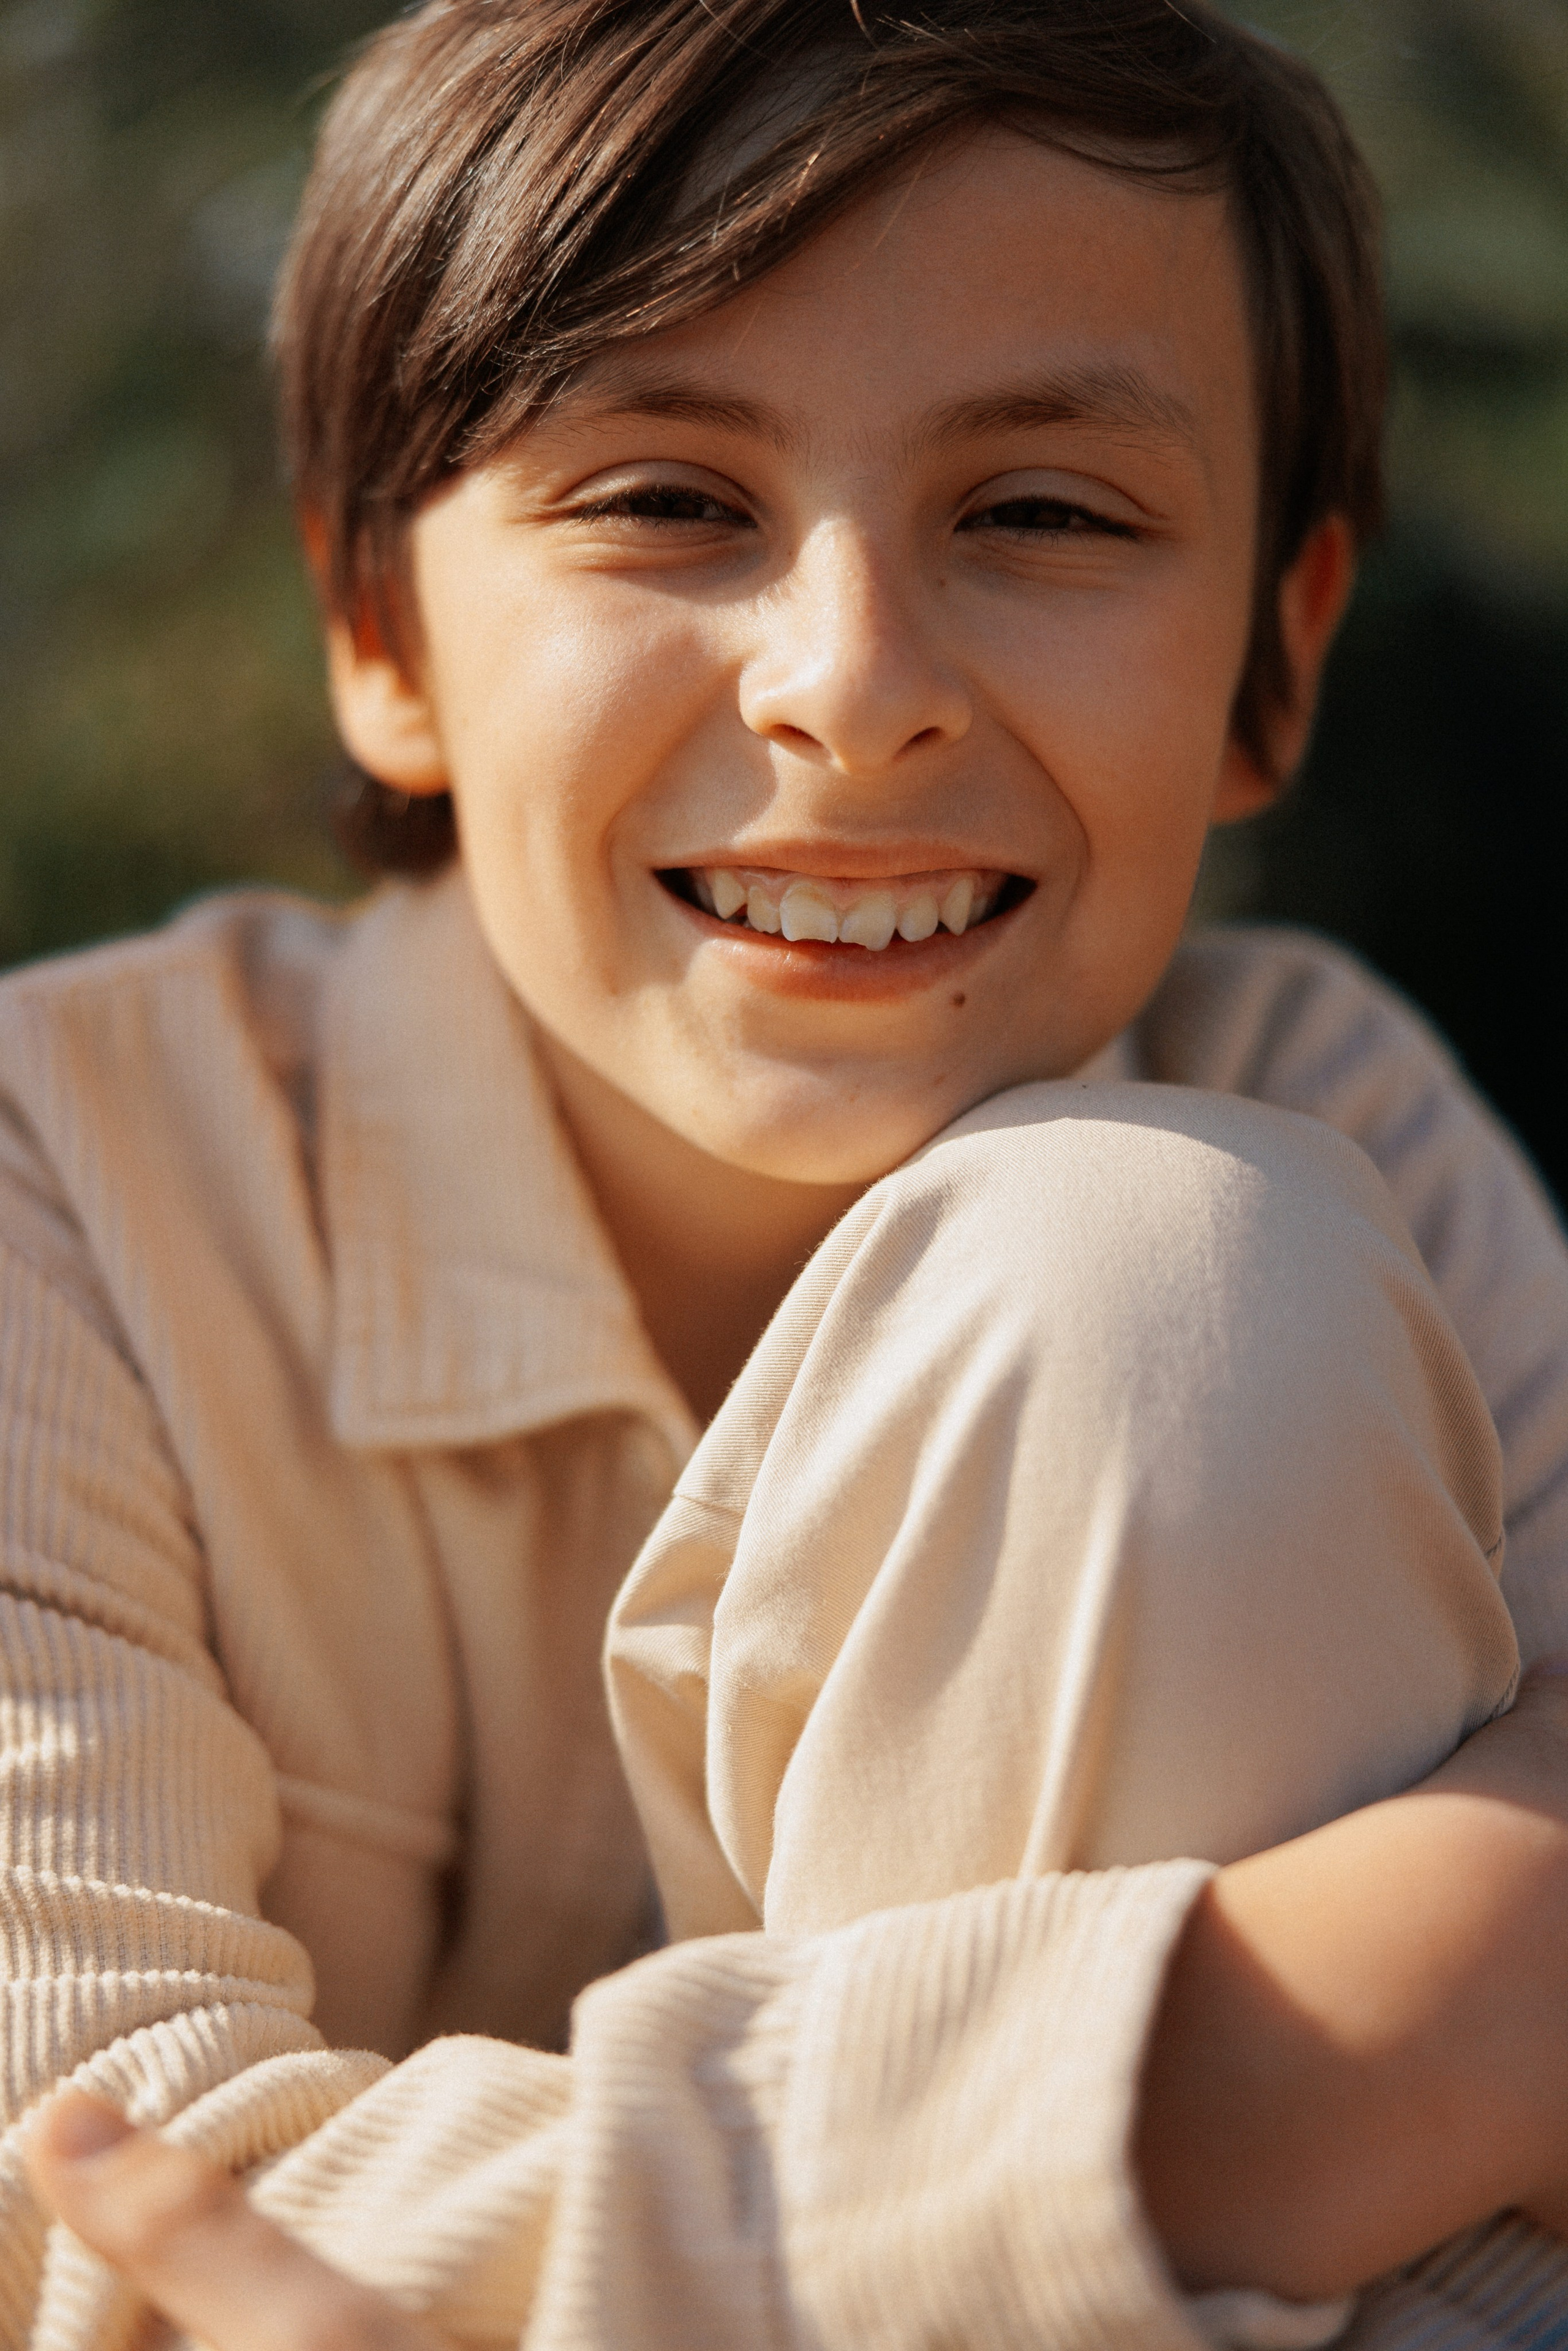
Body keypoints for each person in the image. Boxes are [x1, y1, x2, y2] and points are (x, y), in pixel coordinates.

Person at [10, 2, 1568, 2345]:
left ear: (1276, 655)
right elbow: (100, 2209)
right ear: (379, 629)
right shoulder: (73, 1186)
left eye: (1043, 512)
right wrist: (1281, 2096)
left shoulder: (1342, 1137)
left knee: (1157, 1262)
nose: (850, 686)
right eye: (666, 500)